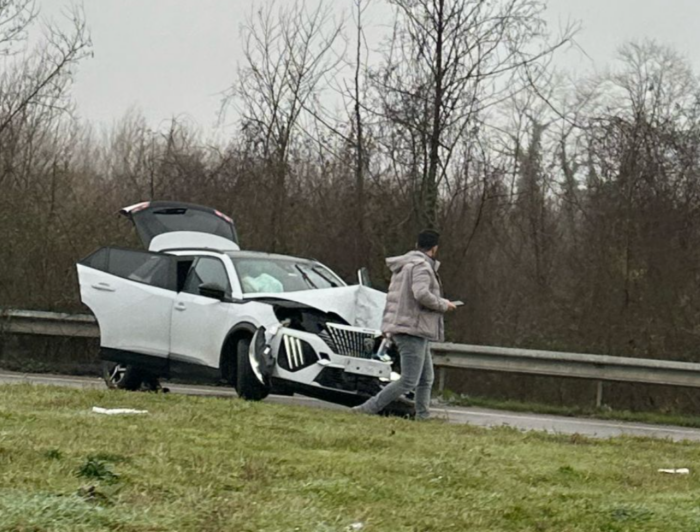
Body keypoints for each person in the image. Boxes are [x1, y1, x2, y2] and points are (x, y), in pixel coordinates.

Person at [353, 229, 456, 419]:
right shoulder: (422, 267)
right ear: (434, 249)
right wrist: (443, 304)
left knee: (426, 378)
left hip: (410, 327)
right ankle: (366, 410)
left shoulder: (405, 265)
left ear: (418, 245)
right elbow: (421, 294)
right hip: (411, 329)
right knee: (409, 380)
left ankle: (422, 417)